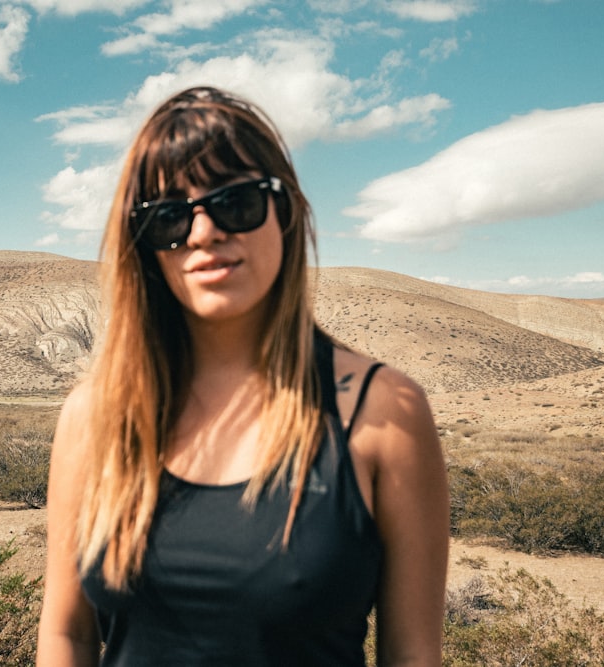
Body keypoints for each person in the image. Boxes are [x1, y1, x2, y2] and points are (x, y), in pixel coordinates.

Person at [36, 86, 449, 666]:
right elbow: (68, 635)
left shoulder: (384, 413)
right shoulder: (96, 416)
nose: (204, 234)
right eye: (168, 218)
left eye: (236, 203)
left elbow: (411, 655)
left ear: (287, 212)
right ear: (144, 247)